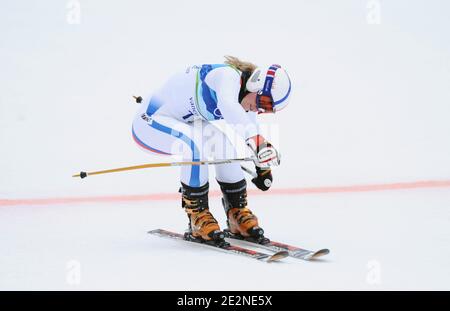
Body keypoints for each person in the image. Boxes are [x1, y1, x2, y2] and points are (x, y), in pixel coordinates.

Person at [132, 56, 291, 245]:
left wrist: (262, 166)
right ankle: (197, 217)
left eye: (267, 108)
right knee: (193, 146)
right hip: (150, 121)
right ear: (255, 84)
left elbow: (251, 130)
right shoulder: (227, 76)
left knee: (224, 146)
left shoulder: (248, 97)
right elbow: (228, 106)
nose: (260, 109)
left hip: (183, 120)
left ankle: (237, 214)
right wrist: (257, 142)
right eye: (263, 102)